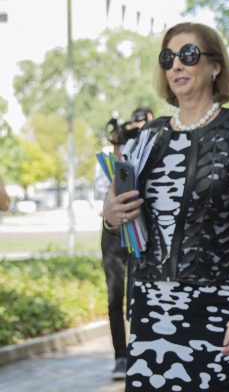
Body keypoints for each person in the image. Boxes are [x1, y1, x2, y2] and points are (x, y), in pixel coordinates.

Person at [102, 22, 229, 391]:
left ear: (215, 66)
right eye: (168, 57)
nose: (176, 65)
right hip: (149, 301)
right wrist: (111, 217)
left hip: (217, 306)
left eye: (188, 55)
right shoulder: (147, 137)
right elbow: (124, 221)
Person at [94, 107, 153, 380]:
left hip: (145, 228)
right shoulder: (113, 152)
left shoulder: (156, 147)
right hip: (115, 229)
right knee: (115, 294)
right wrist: (118, 144)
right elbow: (99, 189)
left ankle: (144, 352)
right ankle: (121, 355)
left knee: (141, 293)